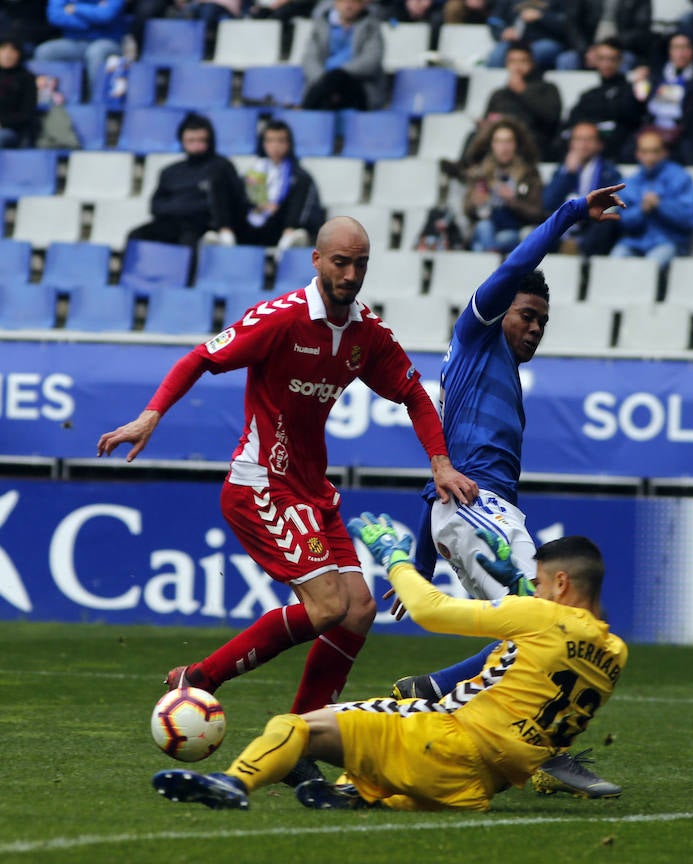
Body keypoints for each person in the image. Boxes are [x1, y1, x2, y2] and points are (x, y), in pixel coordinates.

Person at [98, 217, 477, 718]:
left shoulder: (366, 333)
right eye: (340, 262)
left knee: (359, 610)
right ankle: (200, 678)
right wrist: (151, 415)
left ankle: (304, 733)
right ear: (316, 260)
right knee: (327, 607)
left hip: (310, 489)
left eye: (360, 264)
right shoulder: (281, 319)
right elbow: (201, 358)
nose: (350, 274)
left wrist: (441, 464)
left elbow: (414, 393)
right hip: (261, 483)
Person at [390, 183, 627, 799]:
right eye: (527, 315)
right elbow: (516, 266)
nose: (535, 327)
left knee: (527, 632)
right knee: (555, 624)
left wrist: (423, 558)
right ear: (500, 310)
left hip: (479, 513)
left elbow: (442, 478)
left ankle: (433, 691)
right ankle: (549, 753)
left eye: (543, 321)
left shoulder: (492, 378)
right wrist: (571, 214)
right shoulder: (477, 334)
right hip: (481, 511)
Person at [151, 517, 628, 812]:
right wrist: (521, 591)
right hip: (479, 787)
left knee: (293, 726)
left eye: (539, 583)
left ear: (561, 584)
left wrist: (396, 559)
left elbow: (431, 611)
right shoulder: (613, 653)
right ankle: (356, 793)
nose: (535, 591)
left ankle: (232, 783)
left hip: (443, 740)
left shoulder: (541, 617)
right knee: (384, 755)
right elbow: (551, 648)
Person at [127, 112, 247, 250]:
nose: (196, 145)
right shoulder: (170, 172)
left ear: (210, 140)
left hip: (202, 227)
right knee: (136, 235)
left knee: (190, 241)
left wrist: (183, 207)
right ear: (182, 141)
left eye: (201, 140)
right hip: (171, 223)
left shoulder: (222, 167)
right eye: (191, 140)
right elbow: (156, 206)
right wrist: (184, 207)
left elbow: (229, 203)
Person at [630, 30, 693, 166]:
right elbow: (639, 104)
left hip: (688, 137)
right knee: (630, 151)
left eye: (686, 47)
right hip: (655, 133)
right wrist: (638, 84)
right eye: (676, 47)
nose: (680, 53)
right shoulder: (657, 75)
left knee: (689, 154)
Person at [609, 128, 693, 278]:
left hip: (669, 242)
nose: (650, 157)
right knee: (614, 261)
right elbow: (623, 222)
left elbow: (690, 219)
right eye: (645, 152)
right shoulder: (629, 183)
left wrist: (660, 205)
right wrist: (641, 210)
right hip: (635, 242)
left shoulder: (680, 178)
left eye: (655, 151)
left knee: (650, 267)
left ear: (664, 152)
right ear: (638, 154)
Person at [237, 119, 326, 257]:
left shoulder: (300, 176)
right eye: (270, 140)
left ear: (289, 144)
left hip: (282, 226)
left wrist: (288, 223)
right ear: (263, 143)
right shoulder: (253, 172)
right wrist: (260, 206)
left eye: (280, 141)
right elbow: (243, 201)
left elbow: (305, 209)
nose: (275, 146)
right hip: (253, 228)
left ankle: (292, 238)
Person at [463, 116, 545, 253]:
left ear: (516, 144)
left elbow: (537, 213)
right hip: (485, 227)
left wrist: (513, 201)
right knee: (484, 227)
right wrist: (475, 202)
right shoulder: (480, 174)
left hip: (513, 229)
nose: (504, 147)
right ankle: (492, 254)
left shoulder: (529, 174)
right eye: (499, 141)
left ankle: (489, 256)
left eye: (508, 141)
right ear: (491, 145)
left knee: (498, 240)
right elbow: (467, 211)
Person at [542, 121, 622, 256]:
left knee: (607, 222)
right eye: (578, 139)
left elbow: (611, 205)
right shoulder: (562, 170)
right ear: (571, 144)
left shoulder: (609, 172)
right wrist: (567, 174)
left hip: (592, 226)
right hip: (565, 225)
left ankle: (580, 252)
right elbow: (548, 203)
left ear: (599, 144)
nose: (583, 145)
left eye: (589, 140)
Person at [564, 36, 645, 163]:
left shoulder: (630, 91)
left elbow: (630, 117)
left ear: (620, 61)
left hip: (615, 152)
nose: (606, 64)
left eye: (611, 59)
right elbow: (572, 120)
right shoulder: (589, 94)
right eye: (601, 58)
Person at [482, 40, 563, 162]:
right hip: (501, 141)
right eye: (512, 61)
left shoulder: (547, 88)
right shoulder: (499, 94)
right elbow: (488, 119)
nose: (517, 66)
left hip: (533, 141)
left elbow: (551, 119)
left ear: (532, 63)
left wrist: (523, 91)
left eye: (522, 61)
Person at [34, 0, 128, 102]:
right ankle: (50, 102)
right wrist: (91, 22)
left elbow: (106, 15)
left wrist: (75, 8)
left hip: (108, 41)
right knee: (45, 52)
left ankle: (97, 103)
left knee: (95, 52)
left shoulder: (74, 7)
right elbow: (55, 16)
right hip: (76, 41)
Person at [301, 0, 387, 111]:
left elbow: (371, 61)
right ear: (335, 3)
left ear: (362, 5)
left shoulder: (371, 27)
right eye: (344, 1)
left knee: (337, 78)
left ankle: (305, 108)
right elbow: (310, 59)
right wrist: (325, 79)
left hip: (357, 85)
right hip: (323, 84)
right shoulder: (321, 25)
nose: (348, 5)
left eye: (354, 2)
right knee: (329, 87)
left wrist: (339, 73)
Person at [558, 0, 656, 71]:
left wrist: (612, 47)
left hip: (622, 48)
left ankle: (618, 91)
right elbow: (572, 24)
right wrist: (585, 51)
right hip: (588, 47)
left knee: (626, 60)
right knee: (566, 60)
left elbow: (641, 29)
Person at [486, 0, 570, 71]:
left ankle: (530, 83)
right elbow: (494, 19)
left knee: (533, 55)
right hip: (514, 41)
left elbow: (567, 22)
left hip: (546, 40)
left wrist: (541, 16)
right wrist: (502, 31)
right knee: (496, 57)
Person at [0, 35, 37, 149]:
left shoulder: (26, 79)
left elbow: (27, 114)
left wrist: (3, 122)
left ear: (19, 54)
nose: (7, 54)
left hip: (11, 130)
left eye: (12, 50)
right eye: (3, 49)